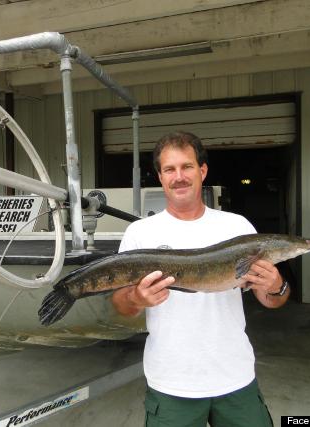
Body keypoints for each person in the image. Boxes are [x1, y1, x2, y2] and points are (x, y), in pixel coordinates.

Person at [111, 131, 289, 427]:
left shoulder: (238, 228)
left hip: (235, 378)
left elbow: (273, 300)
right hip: (171, 382)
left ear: (202, 171)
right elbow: (120, 306)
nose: (179, 176)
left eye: (187, 167)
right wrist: (135, 299)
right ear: (160, 176)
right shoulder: (140, 233)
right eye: (170, 169)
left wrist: (276, 285)